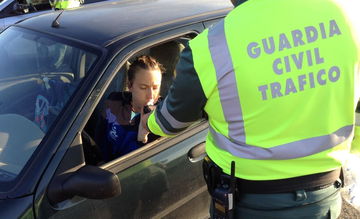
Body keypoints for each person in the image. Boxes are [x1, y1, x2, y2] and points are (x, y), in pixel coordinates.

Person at [140, 0, 360, 218]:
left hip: (250, 204)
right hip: (323, 199)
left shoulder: (211, 45)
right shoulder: (345, 16)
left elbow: (170, 122)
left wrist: (147, 121)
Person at [101, 55, 163, 161]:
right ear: (130, 86)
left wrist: (142, 139)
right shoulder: (114, 101)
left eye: (155, 88)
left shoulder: (161, 118)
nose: (150, 95)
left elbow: (142, 166)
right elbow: (100, 138)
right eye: (143, 87)